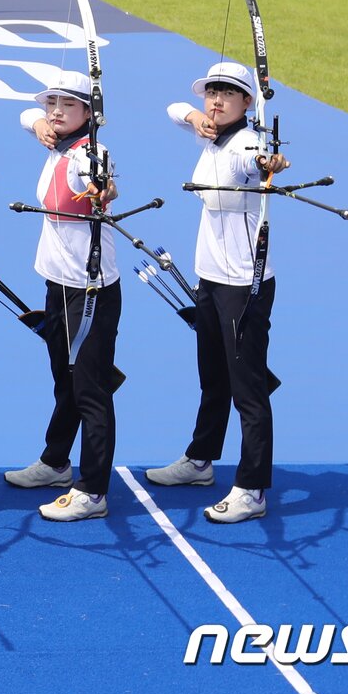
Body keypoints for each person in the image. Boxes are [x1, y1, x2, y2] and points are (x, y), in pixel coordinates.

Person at [144, 61, 289, 524]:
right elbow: (174, 108)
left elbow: (258, 160)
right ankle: (200, 460)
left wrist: (269, 163)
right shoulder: (212, 133)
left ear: (249, 102)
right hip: (209, 278)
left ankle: (252, 488)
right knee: (213, 376)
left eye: (228, 93)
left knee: (248, 390)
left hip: (243, 284)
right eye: (212, 92)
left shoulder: (246, 143)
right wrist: (194, 117)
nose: (217, 100)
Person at [1, 70, 121, 522]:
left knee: (90, 390)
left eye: (68, 104)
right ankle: (56, 463)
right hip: (57, 283)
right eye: (52, 103)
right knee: (64, 380)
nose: (55, 111)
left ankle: (93, 491)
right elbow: (25, 116)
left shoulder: (91, 154)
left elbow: (101, 182)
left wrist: (103, 189)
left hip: (89, 289)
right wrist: (39, 123)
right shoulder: (58, 143)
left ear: (89, 113)